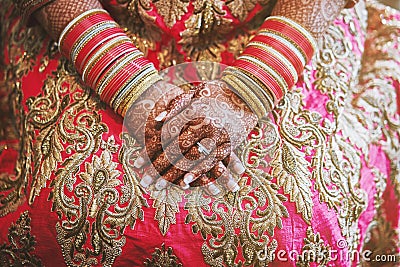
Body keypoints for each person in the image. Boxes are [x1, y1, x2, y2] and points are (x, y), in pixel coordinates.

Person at [0, 0, 399, 266]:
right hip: (94, 21)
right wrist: (138, 92)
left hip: (289, 17)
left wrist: (249, 91)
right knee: (74, 206)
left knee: (303, 224)